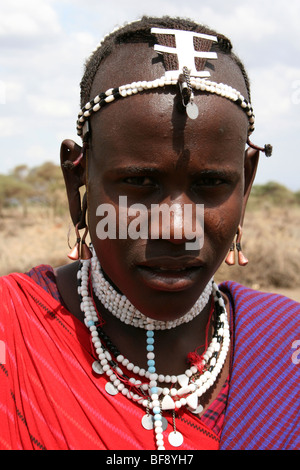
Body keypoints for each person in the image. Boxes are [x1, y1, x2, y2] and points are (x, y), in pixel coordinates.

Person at [0, 16, 299, 451]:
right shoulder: (14, 332)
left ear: (246, 183)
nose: (177, 229)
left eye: (211, 184)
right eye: (139, 184)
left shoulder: (283, 344)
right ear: (78, 179)